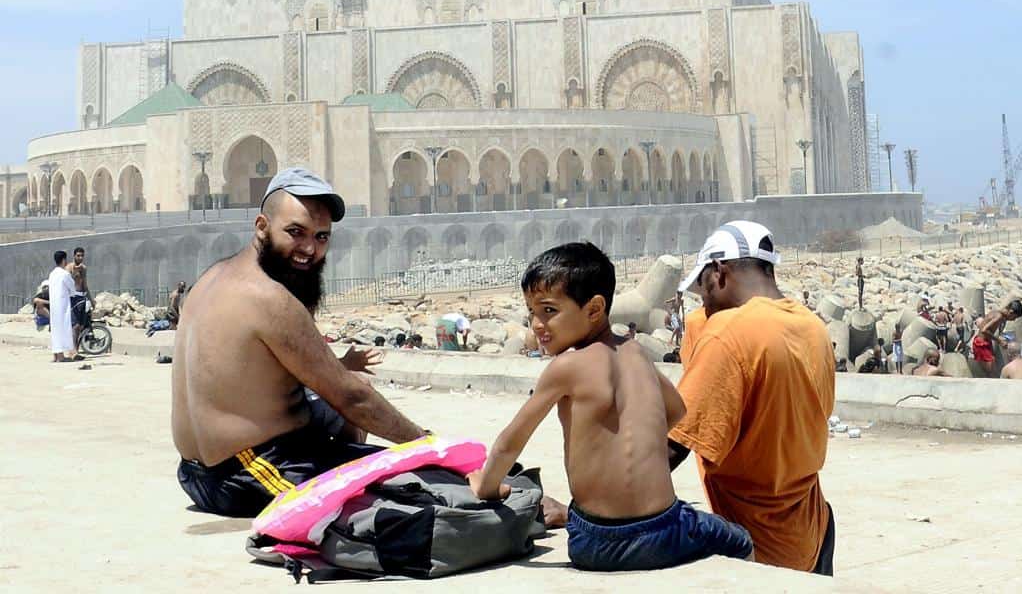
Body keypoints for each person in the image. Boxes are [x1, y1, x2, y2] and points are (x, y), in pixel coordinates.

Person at [469, 242, 752, 570]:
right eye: (532, 312)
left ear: (593, 310)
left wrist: (487, 486)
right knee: (740, 540)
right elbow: (677, 411)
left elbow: (510, 442)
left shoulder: (566, 367)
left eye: (549, 311)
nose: (536, 325)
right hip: (666, 528)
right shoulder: (635, 353)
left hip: (597, 542)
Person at [171, 167, 428, 517]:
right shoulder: (270, 298)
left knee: (356, 413)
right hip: (248, 475)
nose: (309, 248)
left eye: (322, 237)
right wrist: (428, 445)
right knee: (426, 485)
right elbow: (352, 399)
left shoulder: (213, 278)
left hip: (194, 472)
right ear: (262, 227)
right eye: (296, 232)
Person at [669, 221, 836, 574]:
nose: (706, 308)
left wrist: (590, 514)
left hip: (757, 546)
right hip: (812, 530)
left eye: (704, 294)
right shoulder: (812, 327)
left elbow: (671, 448)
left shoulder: (728, 333)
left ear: (719, 272)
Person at [970, 300, 1022, 375]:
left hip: (986, 342)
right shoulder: (999, 316)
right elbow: (984, 330)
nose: (1014, 320)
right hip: (981, 344)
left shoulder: (997, 313)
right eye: (1014, 317)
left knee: (992, 370)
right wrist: (999, 341)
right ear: (1011, 312)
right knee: (993, 373)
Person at [46, 249, 78, 363]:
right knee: (62, 329)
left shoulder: (52, 274)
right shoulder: (65, 274)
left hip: (54, 306)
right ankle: (61, 357)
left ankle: (56, 355)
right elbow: (72, 289)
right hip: (62, 306)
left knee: (55, 329)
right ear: (64, 260)